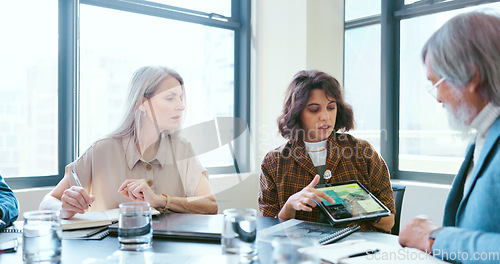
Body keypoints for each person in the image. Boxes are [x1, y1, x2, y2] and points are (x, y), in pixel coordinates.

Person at [40, 66, 218, 219]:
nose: (181, 106)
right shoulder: (103, 149)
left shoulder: (182, 149)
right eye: (170, 98)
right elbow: (47, 202)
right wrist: (64, 209)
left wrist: (159, 200)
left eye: (180, 98)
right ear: (142, 103)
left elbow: (210, 204)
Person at [399, 11, 500, 263]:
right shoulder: (482, 136)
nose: (439, 98)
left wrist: (434, 238)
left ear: (471, 76)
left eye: (436, 83)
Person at [258, 70, 395, 233]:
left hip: (356, 251)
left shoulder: (363, 153)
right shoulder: (274, 162)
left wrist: (359, 208)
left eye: (331, 107)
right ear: (297, 113)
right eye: (314, 110)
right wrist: (290, 205)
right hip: (303, 254)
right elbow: (270, 229)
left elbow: (389, 223)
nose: (325, 117)